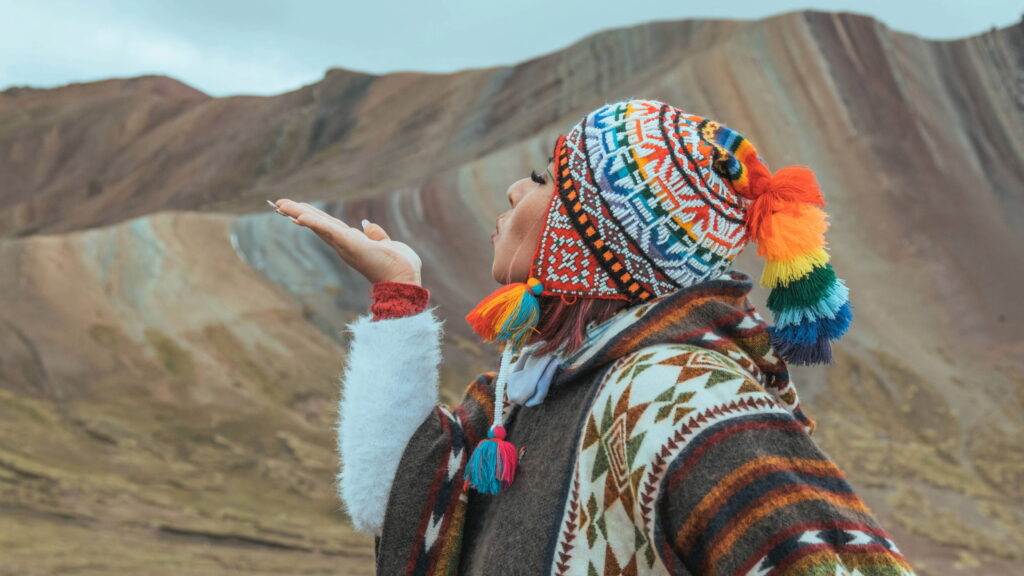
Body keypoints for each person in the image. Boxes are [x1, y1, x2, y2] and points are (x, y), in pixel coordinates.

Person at [274, 99, 916, 575]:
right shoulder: (537, 389)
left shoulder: (675, 395)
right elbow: (394, 499)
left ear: (592, 238)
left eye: (546, 178)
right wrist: (399, 294)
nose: (514, 190)